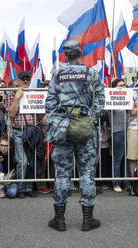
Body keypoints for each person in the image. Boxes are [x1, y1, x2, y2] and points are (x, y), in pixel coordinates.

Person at [45, 40, 105, 232]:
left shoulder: (58, 74)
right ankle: (88, 219)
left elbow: (50, 102)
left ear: (65, 56)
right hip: (85, 128)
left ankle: (59, 219)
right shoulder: (92, 73)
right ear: (81, 53)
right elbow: (100, 100)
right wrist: (89, 119)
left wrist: (57, 120)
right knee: (87, 173)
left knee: (62, 173)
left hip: (62, 127)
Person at [7, 72, 36, 198]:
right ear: (18, 80)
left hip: (32, 131)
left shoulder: (33, 93)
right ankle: (21, 187)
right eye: (23, 79)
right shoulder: (12, 93)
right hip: (19, 130)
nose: (25, 81)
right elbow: (11, 113)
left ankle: (28, 187)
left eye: (27, 79)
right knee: (22, 161)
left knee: (30, 161)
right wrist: (17, 98)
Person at [109, 79, 128, 192]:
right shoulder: (112, 99)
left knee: (126, 158)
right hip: (118, 131)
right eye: (120, 85)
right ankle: (116, 183)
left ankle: (126, 182)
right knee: (117, 159)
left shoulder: (127, 98)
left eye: (124, 85)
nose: (123, 87)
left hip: (128, 130)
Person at [0, 133, 17, 198]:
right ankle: (0, 189)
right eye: (1, 145)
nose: (3, 148)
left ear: (10, 146)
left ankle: (5, 189)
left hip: (9, 180)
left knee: (12, 193)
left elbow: (15, 170)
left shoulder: (13, 153)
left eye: (6, 146)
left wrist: (10, 181)